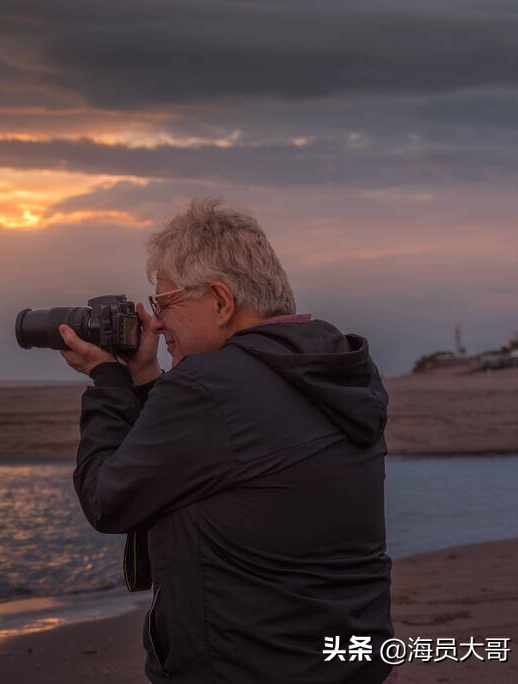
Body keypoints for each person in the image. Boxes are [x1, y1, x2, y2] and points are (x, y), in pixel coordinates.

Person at [58, 199, 394, 684]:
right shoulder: (334, 368)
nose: (155, 323)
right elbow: (208, 462)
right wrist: (149, 379)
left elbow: (108, 499)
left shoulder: (211, 388)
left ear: (220, 301)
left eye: (164, 303)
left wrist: (108, 384)